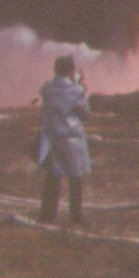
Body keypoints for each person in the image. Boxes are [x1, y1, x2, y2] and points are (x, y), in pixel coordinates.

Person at [37, 56, 90, 227]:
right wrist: (83, 88)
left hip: (52, 138)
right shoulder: (76, 90)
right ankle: (76, 217)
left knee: (53, 178)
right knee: (75, 179)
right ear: (70, 70)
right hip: (71, 138)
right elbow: (85, 113)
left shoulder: (46, 88)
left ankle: (47, 215)